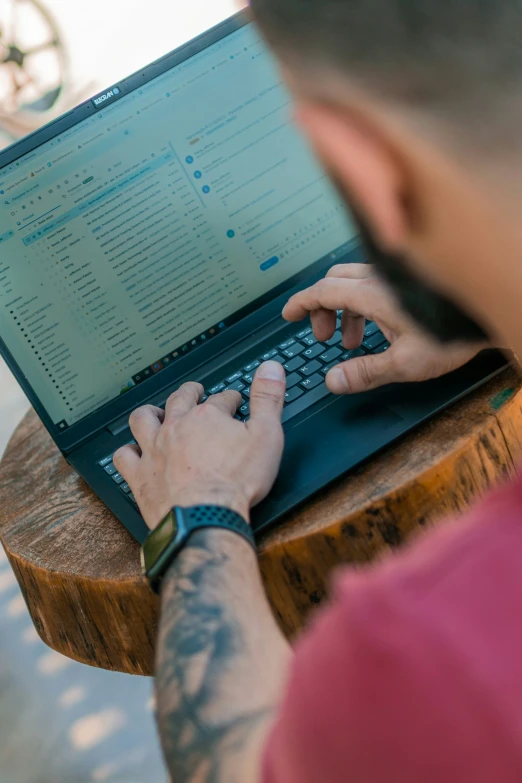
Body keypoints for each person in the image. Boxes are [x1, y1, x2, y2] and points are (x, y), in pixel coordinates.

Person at [113, 1, 522, 780]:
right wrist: (488, 307)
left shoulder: (424, 650)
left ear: (363, 169)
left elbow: (233, 757)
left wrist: (197, 509)